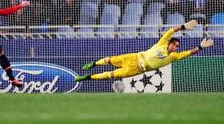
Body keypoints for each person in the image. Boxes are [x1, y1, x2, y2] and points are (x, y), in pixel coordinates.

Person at [76, 20, 214, 81]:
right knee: (109, 60)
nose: (176, 48)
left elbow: (188, 53)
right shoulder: (162, 42)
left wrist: (200, 47)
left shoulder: (174, 56)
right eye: (175, 45)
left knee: (111, 75)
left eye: (177, 47)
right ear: (170, 43)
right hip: (134, 57)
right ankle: (93, 64)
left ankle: (87, 78)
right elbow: (171, 31)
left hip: (137, 69)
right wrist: (183, 26)